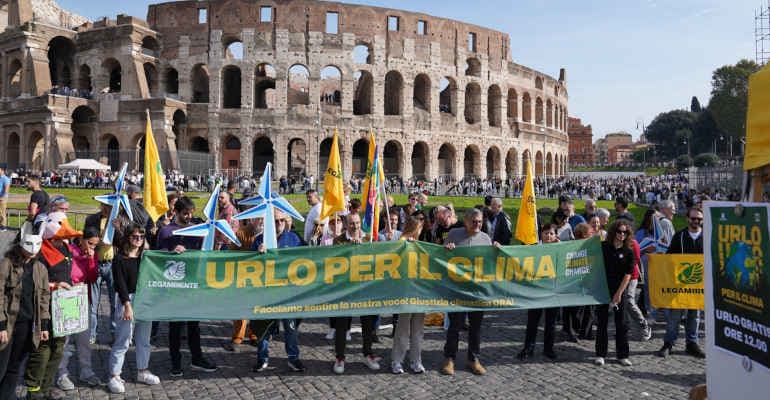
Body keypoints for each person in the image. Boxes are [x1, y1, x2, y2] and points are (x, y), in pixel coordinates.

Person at [157, 196, 218, 376]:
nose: (189, 217)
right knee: (175, 326)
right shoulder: (166, 231)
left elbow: (205, 251)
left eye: (191, 213)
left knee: (194, 325)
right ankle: (175, 361)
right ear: (175, 212)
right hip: (174, 286)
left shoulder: (197, 230)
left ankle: (197, 357)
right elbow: (156, 256)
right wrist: (170, 252)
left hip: (193, 284)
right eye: (185, 214)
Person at [25, 212, 81, 399]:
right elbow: (34, 283)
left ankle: (46, 389)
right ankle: (34, 392)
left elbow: (67, 273)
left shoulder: (65, 247)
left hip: (63, 306)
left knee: (58, 348)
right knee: (42, 349)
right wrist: (55, 286)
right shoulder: (39, 251)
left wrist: (74, 285)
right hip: (44, 307)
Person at [440, 208, 497, 376]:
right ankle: (449, 358)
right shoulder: (454, 234)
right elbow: (440, 256)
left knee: (476, 328)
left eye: (479, 222)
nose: (477, 224)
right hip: (457, 289)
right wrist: (447, 249)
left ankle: (473, 358)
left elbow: (491, 262)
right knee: (455, 326)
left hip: (477, 290)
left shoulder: (485, 238)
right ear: (466, 221)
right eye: (474, 221)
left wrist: (496, 249)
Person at [107, 223, 161, 393]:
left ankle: (142, 370)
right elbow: (120, 284)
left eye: (141, 237)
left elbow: (163, 259)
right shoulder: (119, 259)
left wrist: (177, 250)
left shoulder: (146, 256)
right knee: (123, 340)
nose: (138, 240)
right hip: (127, 300)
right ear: (128, 238)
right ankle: (114, 375)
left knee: (144, 339)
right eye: (135, 236)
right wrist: (127, 306)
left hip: (145, 300)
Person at [251, 210, 305, 373]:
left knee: (290, 328)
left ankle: (293, 358)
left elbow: (309, 258)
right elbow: (249, 266)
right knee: (264, 328)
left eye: (282, 220)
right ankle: (262, 358)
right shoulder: (260, 240)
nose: (279, 223)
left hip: (288, 293)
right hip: (267, 293)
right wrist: (257, 254)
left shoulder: (294, 238)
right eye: (275, 221)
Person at [0, 222, 49, 400]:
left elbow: (44, 297)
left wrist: (43, 325)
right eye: (29, 246)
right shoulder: (7, 264)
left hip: (27, 325)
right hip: (8, 324)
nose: (33, 250)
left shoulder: (40, 268)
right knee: (2, 365)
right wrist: (2, 325)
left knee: (14, 367)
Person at [331, 213, 378, 374]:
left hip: (365, 288)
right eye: (352, 224)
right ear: (346, 224)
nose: (355, 226)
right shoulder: (339, 240)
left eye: (357, 223)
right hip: (345, 290)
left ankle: (368, 353)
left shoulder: (369, 239)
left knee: (368, 324)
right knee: (342, 325)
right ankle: (340, 357)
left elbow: (378, 257)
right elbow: (334, 260)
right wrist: (350, 247)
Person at [656, 208, 706, 359]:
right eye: (694, 218)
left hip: (698, 285)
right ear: (687, 219)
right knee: (675, 316)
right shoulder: (680, 236)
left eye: (699, 219)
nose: (696, 221)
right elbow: (669, 257)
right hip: (680, 283)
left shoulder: (707, 235)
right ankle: (668, 343)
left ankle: (692, 343)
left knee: (694, 316)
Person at [57, 228, 101, 391]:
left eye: (95, 246)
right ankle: (62, 373)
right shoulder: (70, 251)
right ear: (82, 239)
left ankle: (86, 370)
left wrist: (90, 260)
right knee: (66, 339)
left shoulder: (92, 255)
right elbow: (64, 272)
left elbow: (93, 277)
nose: (91, 248)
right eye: (90, 243)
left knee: (84, 339)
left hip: (83, 298)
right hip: (67, 298)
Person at [517, 223, 560, 361]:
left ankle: (549, 349)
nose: (548, 236)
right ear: (541, 234)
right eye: (546, 233)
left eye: (551, 233)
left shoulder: (560, 248)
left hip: (553, 290)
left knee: (551, 321)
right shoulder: (534, 248)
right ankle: (528, 348)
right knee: (533, 320)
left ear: (556, 236)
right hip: (536, 290)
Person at [595, 219, 634, 367]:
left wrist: (619, 293)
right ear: (614, 232)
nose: (622, 235)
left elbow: (628, 275)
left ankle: (622, 355)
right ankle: (600, 353)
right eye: (619, 231)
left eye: (625, 232)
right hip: (603, 289)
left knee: (621, 323)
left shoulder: (628, 252)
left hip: (620, 290)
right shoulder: (603, 247)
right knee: (602, 322)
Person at [390, 216, 427, 374]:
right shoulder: (401, 242)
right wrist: (405, 240)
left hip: (420, 291)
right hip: (405, 292)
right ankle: (397, 360)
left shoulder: (421, 243)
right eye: (419, 228)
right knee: (403, 328)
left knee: (418, 329)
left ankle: (416, 360)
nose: (421, 231)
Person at [84, 202, 119, 344]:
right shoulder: (92, 219)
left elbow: (123, 240)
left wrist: (118, 229)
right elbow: (86, 240)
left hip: (112, 264)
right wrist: (99, 243)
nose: (106, 209)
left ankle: (115, 333)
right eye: (104, 206)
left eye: (109, 206)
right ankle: (91, 334)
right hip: (96, 263)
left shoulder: (118, 220)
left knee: (114, 303)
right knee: (93, 302)